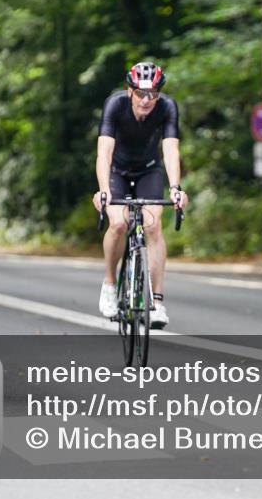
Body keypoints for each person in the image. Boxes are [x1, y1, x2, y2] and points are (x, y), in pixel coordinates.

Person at [92, 62, 188, 328]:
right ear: (130, 91)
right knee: (118, 223)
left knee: (153, 225)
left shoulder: (167, 107)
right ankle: (109, 284)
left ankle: (157, 302)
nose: (147, 100)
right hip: (117, 172)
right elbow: (103, 153)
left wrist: (176, 188)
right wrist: (104, 190)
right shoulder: (115, 105)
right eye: (141, 93)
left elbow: (171, 150)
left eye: (153, 93)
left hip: (149, 170)